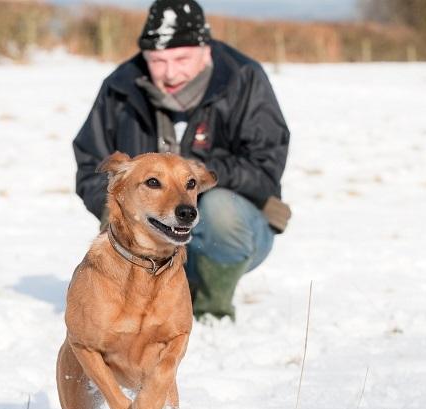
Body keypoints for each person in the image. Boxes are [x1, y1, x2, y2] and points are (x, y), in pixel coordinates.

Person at [73, 0, 291, 321]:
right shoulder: (120, 86)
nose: (170, 72)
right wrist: (113, 211)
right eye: (158, 60)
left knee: (219, 212)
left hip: (236, 229)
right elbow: (91, 161)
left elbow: (264, 167)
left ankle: (209, 307)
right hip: (151, 231)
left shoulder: (244, 78)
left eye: (181, 58)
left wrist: (191, 172)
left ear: (206, 49)